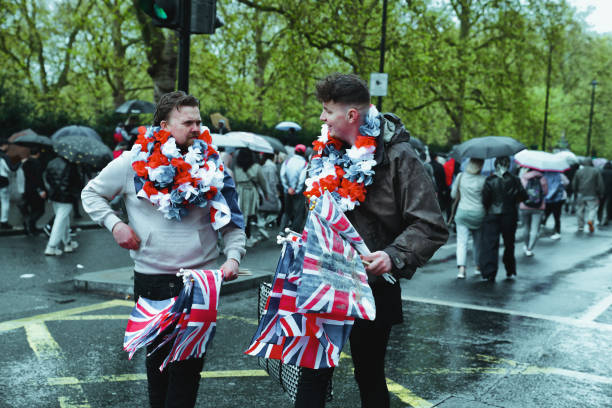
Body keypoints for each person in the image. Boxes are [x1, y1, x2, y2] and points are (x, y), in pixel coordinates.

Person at [81, 91, 246, 408]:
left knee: (187, 369)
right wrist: (116, 225)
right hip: (152, 279)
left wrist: (234, 257)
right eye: (188, 122)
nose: (196, 128)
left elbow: (232, 223)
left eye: (198, 121)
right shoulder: (133, 162)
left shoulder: (214, 166)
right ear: (163, 125)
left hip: (199, 281)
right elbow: (91, 194)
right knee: (158, 367)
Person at [293, 73, 448, 408]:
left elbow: (431, 225)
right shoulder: (322, 152)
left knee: (369, 374)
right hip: (322, 281)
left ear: (351, 116)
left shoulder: (400, 156)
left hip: (372, 284)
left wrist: (393, 256)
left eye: (327, 111)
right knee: (312, 371)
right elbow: (311, 208)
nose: (321, 118)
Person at [480, 156, 527, 281]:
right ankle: (510, 269)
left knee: (490, 244)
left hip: (492, 214)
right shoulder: (515, 180)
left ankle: (490, 272)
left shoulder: (490, 180)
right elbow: (523, 196)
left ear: (496, 165)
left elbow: (485, 199)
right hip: (509, 214)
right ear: (508, 165)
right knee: (509, 244)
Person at [451, 158, 486, 279]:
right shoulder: (483, 179)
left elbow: (453, 195)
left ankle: (461, 269)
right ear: (480, 166)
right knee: (478, 242)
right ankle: (478, 267)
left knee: (461, 242)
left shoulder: (461, 176)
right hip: (479, 214)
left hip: (462, 213)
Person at [43, 155, 81, 255]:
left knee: (63, 219)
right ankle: (51, 246)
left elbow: (47, 178)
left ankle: (68, 243)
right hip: (67, 196)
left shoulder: (51, 162)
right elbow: (77, 181)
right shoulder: (71, 165)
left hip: (54, 195)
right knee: (60, 221)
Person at [234, 148, 262, 246]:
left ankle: (239, 238)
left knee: (239, 216)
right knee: (249, 216)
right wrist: (266, 194)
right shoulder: (256, 167)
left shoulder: (236, 167)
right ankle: (247, 237)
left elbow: (234, 181)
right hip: (251, 193)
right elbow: (262, 182)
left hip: (239, 191)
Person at [518, 167, 548, 257]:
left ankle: (525, 245)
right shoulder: (542, 178)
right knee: (534, 229)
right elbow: (546, 193)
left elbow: (520, 191)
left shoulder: (523, 178)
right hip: (538, 207)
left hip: (524, 206)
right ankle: (529, 249)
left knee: (526, 227)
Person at [280, 144, 308, 232]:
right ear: (304, 153)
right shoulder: (305, 164)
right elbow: (302, 179)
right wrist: (297, 190)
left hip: (287, 191)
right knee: (298, 213)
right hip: (298, 193)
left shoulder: (287, 161)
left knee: (287, 212)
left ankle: (282, 231)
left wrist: (287, 188)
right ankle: (294, 232)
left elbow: (282, 175)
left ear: (295, 151)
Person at [572, 158, 604, 233]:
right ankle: (590, 220)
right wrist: (601, 192)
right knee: (592, 209)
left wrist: (575, 191)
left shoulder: (579, 171)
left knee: (580, 209)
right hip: (592, 194)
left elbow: (574, 183)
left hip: (581, 193)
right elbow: (600, 183)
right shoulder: (596, 171)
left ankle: (580, 226)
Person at [20, 147, 47, 235]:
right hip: (36, 190)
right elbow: (38, 178)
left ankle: (31, 226)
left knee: (33, 209)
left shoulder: (25, 163)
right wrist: (41, 190)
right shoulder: (37, 163)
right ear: (38, 154)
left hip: (28, 189)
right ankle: (30, 224)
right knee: (40, 210)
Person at [541, 170, 569, 239]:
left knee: (546, 212)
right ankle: (557, 232)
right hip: (558, 198)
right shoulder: (560, 175)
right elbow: (567, 182)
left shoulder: (544, 174)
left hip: (547, 198)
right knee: (557, 216)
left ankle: (542, 224)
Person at [257, 152, 281, 227]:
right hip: (270, 190)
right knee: (277, 208)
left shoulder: (260, 164)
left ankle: (262, 223)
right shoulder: (271, 165)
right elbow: (273, 181)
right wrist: (276, 192)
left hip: (261, 191)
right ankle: (267, 222)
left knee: (262, 210)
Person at [0, 138, 15, 229]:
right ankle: (4, 221)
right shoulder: (4, 156)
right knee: (5, 202)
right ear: (3, 146)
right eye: (7, 145)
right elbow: (11, 169)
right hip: (2, 181)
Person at [598, 161, 612, 226]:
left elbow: (599, 182)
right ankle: (607, 218)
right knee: (609, 205)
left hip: (602, 191)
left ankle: (599, 217)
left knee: (601, 205)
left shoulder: (601, 172)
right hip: (610, 191)